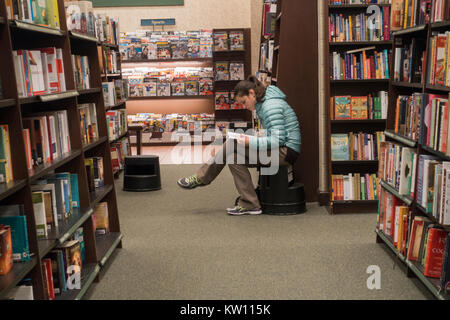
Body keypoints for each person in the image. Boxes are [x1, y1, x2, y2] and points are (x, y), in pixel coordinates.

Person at [177, 76, 301, 216]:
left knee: (232, 143)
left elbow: (278, 140)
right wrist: (254, 138)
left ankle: (200, 177)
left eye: (244, 102)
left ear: (252, 93)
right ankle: (251, 204)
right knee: (233, 157)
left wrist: (250, 141)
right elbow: (273, 135)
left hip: (286, 152)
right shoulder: (263, 103)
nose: (244, 106)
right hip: (279, 149)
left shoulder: (270, 106)